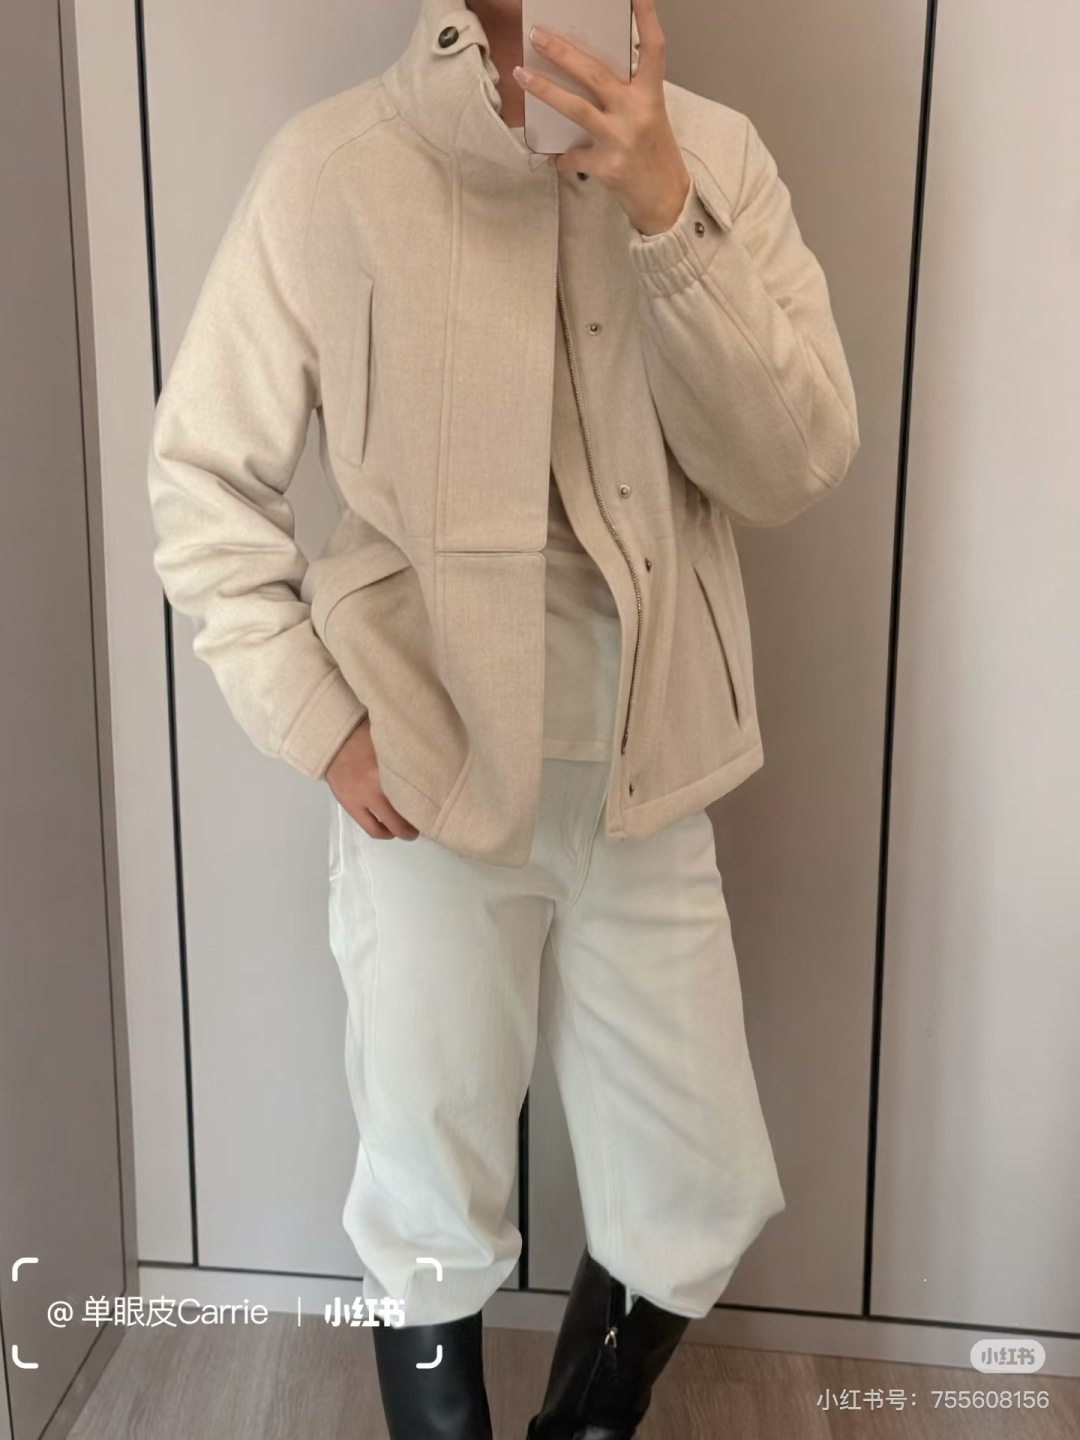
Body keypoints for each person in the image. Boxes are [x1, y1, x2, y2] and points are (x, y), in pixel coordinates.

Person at [147, 0, 861, 1433]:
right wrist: (318, 719)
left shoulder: (716, 157)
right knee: (428, 1188)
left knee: (695, 1188)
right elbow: (200, 480)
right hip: (424, 773)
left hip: (650, 766)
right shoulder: (334, 165)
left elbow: (792, 463)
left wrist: (665, 215)